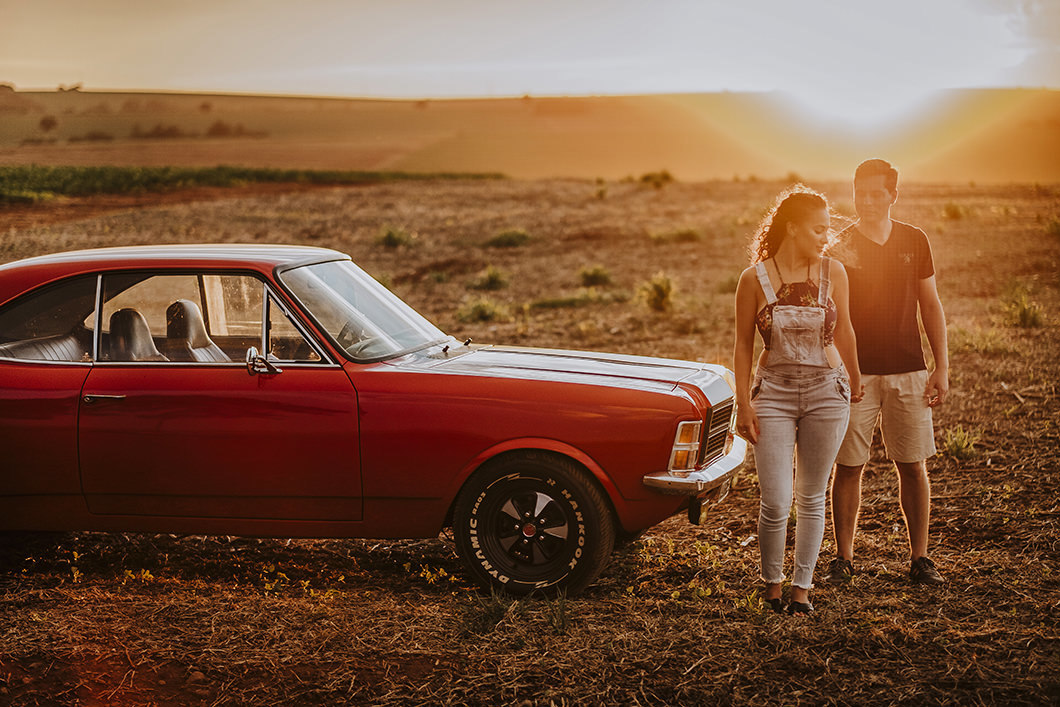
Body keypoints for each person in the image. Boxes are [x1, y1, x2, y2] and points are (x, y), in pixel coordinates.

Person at [734, 187, 862, 615]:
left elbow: (845, 330)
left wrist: (855, 378)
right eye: (818, 229)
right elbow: (742, 345)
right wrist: (744, 404)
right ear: (792, 228)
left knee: (811, 497)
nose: (826, 237)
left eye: (827, 229)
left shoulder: (834, 273)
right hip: (772, 393)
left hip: (828, 391)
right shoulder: (753, 279)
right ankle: (772, 585)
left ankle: (801, 590)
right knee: (775, 500)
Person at [825, 159, 949, 586]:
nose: (867, 201)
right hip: (854, 375)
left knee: (912, 465)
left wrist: (941, 365)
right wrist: (839, 371)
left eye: (877, 193)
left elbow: (930, 304)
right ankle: (843, 559)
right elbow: (830, 316)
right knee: (848, 466)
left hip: (909, 370)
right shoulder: (839, 245)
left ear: (893, 195)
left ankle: (920, 559)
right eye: (860, 193)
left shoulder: (914, 240)